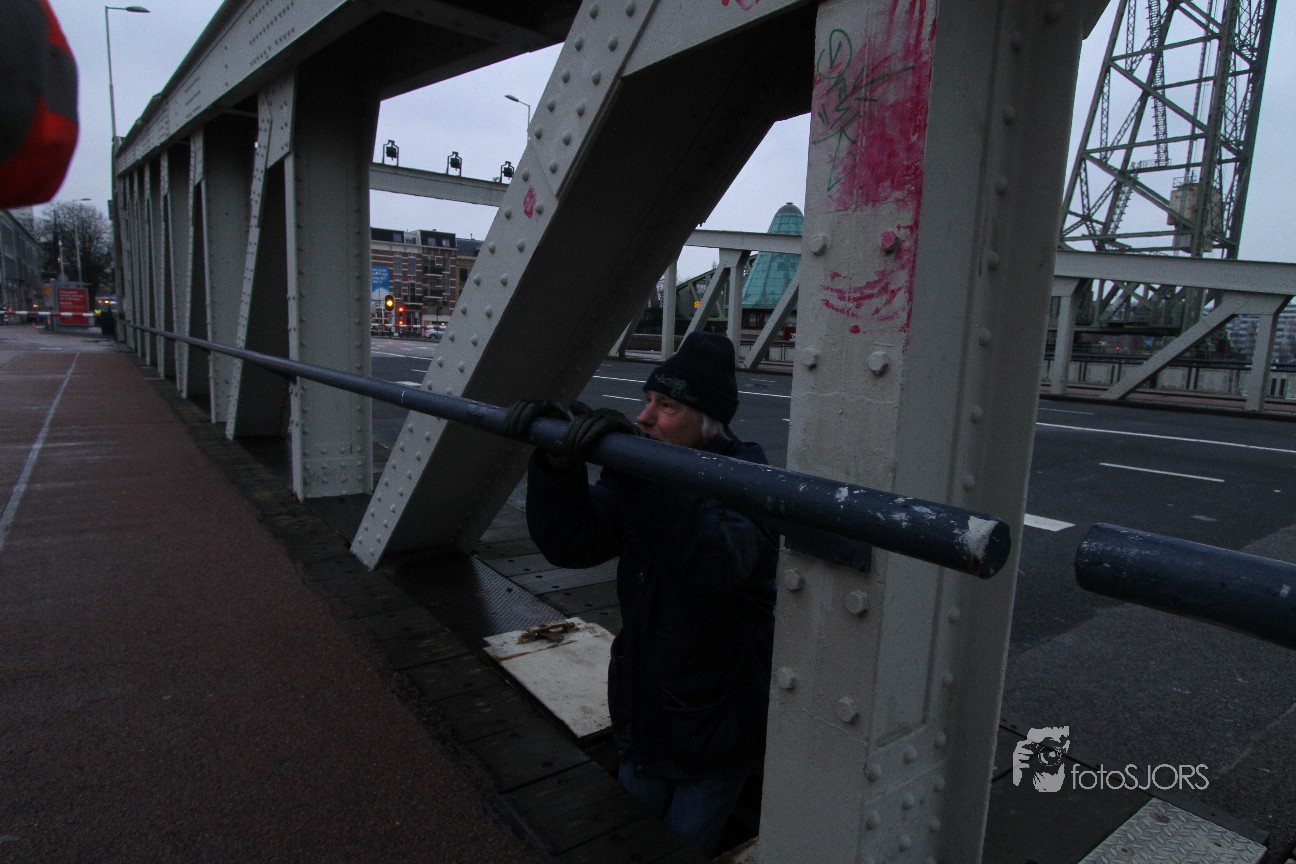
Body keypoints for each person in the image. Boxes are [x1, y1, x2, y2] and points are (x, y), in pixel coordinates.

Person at [505, 332, 777, 857]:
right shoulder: (658, 468)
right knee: (631, 839)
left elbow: (715, 561)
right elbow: (576, 542)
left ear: (710, 421)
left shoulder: (751, 482)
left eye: (667, 406)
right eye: (648, 400)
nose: (645, 418)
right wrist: (558, 468)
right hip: (647, 712)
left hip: (715, 729)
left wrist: (635, 474)